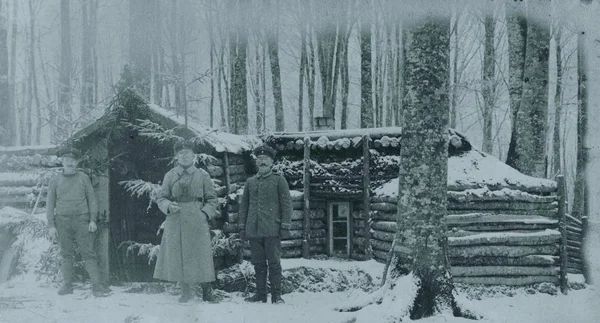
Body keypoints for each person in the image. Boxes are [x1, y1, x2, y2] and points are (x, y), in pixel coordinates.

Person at [154, 140, 219, 303]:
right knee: (179, 254)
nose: (184, 156)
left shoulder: (202, 175)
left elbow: (212, 199)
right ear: (176, 156)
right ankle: (186, 291)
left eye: (187, 153)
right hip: (176, 220)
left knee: (202, 254)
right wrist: (169, 206)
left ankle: (207, 291)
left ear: (193, 155)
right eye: (181, 153)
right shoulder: (170, 175)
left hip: (197, 219)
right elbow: (161, 198)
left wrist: (204, 214)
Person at [46, 147, 109, 297]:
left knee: (88, 253)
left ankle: (96, 286)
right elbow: (50, 204)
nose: (70, 163)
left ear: (77, 162)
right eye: (67, 160)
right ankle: (67, 285)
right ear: (62, 162)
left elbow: (92, 200)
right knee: (66, 254)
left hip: (82, 220)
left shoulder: (83, 178)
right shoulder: (55, 181)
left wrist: (93, 220)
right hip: (62, 221)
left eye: (73, 161)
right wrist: (51, 225)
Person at [239, 145, 292, 304]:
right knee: (258, 263)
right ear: (256, 162)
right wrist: (242, 226)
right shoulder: (250, 182)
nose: (262, 162)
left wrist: (285, 225)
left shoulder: (278, 180)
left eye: (266, 159)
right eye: (259, 159)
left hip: (272, 229)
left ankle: (276, 295)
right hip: (254, 229)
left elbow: (286, 204)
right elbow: (244, 206)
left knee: (274, 263)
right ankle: (260, 294)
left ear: (271, 162)